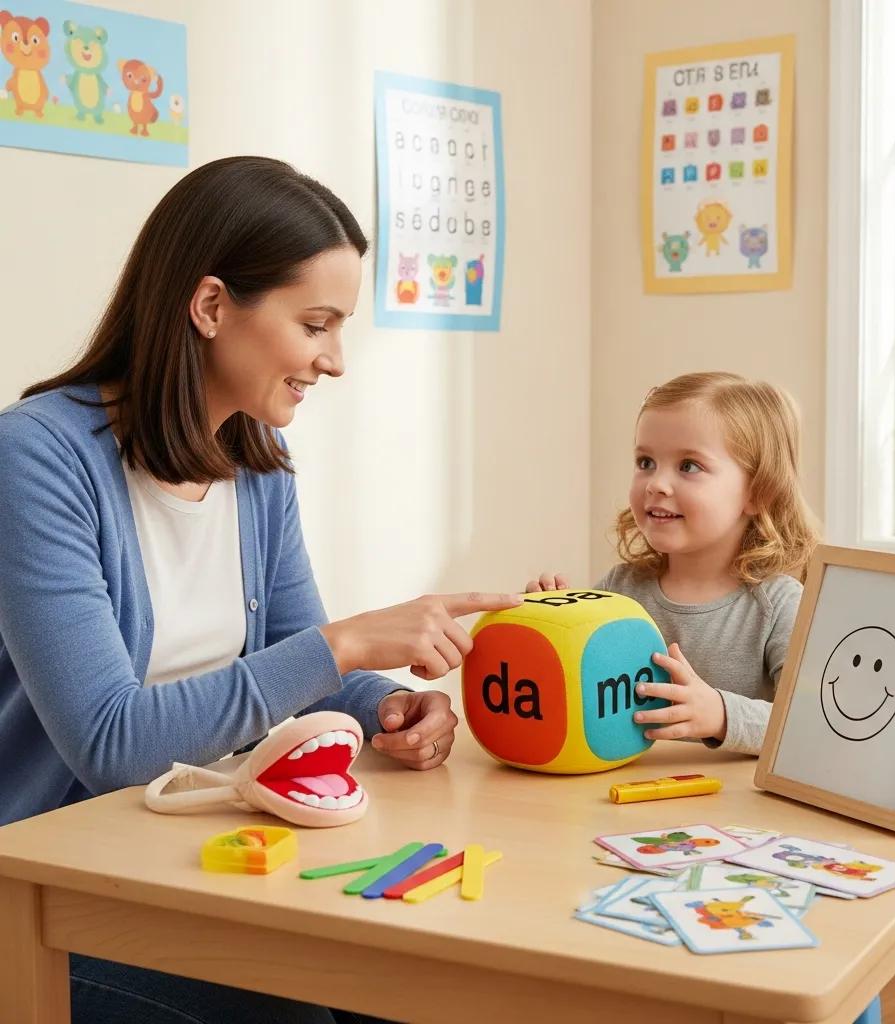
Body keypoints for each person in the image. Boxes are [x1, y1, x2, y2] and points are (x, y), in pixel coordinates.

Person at [0, 155, 521, 1024]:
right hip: (53, 891)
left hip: (199, 858)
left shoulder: (257, 464)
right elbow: (111, 741)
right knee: (298, 1010)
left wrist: (389, 706)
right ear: (210, 307)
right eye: (316, 323)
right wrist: (347, 645)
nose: (335, 359)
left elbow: (300, 660)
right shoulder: (37, 459)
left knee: (406, 984)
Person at [527, 370, 818, 755]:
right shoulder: (619, 589)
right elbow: (568, 691)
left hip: (731, 808)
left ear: (758, 493)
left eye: (688, 466)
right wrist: (546, 624)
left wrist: (721, 715)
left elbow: (810, 728)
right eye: (645, 461)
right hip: (621, 797)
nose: (656, 484)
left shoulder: (779, 604)